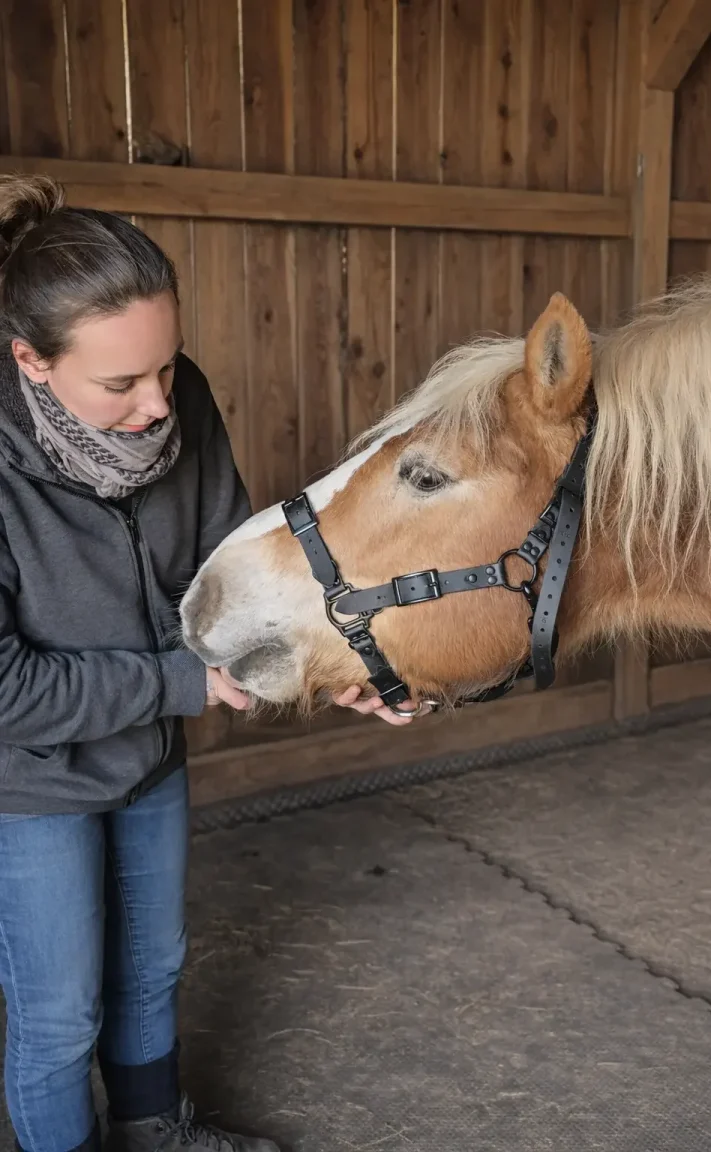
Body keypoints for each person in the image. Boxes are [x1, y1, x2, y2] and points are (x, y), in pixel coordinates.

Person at [0, 175, 415, 1152]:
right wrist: (181, 684)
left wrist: (331, 667)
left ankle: (156, 1131)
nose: (159, 404)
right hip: (29, 780)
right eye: (121, 385)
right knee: (60, 1014)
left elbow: (227, 571)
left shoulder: (174, 398)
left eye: (167, 367)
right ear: (30, 360)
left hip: (147, 754)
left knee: (151, 967)